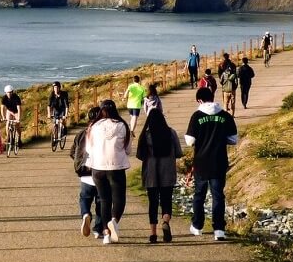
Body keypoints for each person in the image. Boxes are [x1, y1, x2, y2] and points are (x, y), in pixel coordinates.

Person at [184, 86, 237, 240]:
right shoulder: (225, 116)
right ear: (213, 97)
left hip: (201, 161)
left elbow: (189, 141)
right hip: (219, 160)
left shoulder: (197, 116)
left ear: (199, 100)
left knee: (199, 194)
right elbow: (233, 139)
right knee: (218, 195)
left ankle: (197, 226)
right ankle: (219, 229)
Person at [86, 99, 132, 244]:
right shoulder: (122, 125)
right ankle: (114, 220)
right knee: (119, 198)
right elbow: (129, 150)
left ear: (101, 110)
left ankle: (106, 233)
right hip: (116, 166)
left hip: (98, 167)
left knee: (104, 199)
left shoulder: (94, 126)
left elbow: (88, 148)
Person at [136, 108, 183, 243]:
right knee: (166, 200)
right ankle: (166, 220)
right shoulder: (170, 133)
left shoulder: (145, 135)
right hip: (167, 172)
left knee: (153, 203)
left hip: (150, 174)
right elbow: (179, 152)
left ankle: (153, 234)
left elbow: (140, 155)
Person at [70, 106, 104, 239]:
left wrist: (80, 162)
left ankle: (85, 214)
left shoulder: (81, 134)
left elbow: (73, 153)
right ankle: (98, 229)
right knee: (101, 201)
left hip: (85, 174)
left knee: (84, 198)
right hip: (100, 172)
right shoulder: (102, 135)